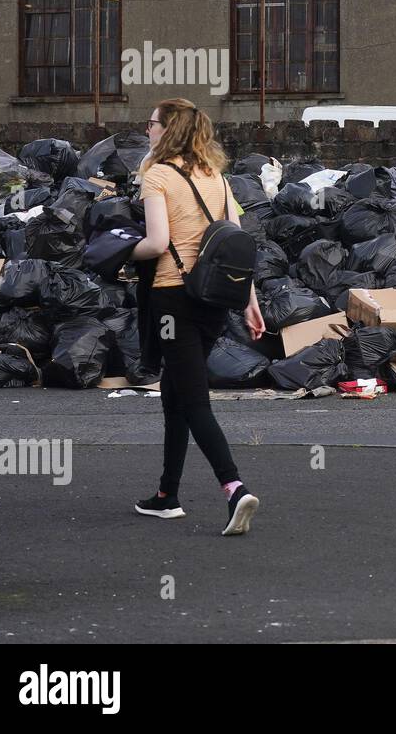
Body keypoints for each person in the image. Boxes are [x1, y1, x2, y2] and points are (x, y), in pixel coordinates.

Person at [130, 98, 266, 536]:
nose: (147, 130)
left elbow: (155, 242)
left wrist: (116, 251)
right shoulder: (217, 177)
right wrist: (250, 300)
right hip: (213, 300)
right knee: (174, 395)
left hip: (173, 300)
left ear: (166, 130)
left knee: (193, 401)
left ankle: (234, 487)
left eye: (151, 124)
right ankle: (167, 495)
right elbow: (237, 245)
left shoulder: (157, 176)